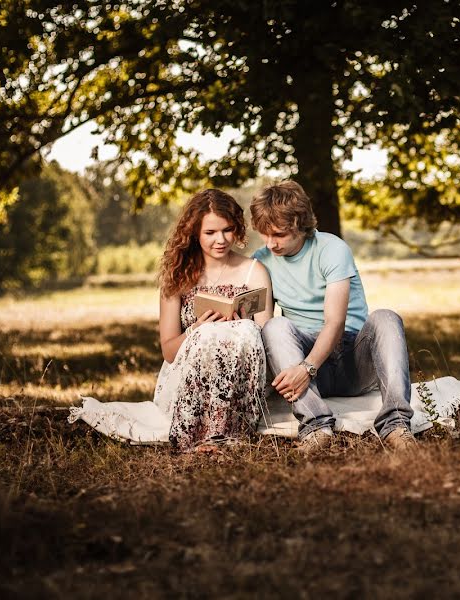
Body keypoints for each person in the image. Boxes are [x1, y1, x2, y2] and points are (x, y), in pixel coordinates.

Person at [251, 181, 416, 453]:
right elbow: (265, 324)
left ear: (300, 223)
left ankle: (395, 425)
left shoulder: (332, 248)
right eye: (264, 235)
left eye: (278, 234)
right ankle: (316, 426)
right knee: (275, 326)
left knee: (386, 317)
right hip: (306, 362)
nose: (270, 244)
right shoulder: (261, 260)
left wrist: (307, 369)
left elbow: (335, 322)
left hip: (351, 358)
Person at [155, 189, 274, 451]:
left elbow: (267, 343)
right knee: (207, 335)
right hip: (189, 376)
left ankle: (225, 435)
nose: (220, 240)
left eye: (227, 230)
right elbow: (169, 352)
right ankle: (197, 436)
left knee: (244, 330)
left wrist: (245, 327)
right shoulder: (177, 277)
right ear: (194, 233)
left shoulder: (254, 271)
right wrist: (196, 331)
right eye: (210, 233)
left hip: (240, 377)